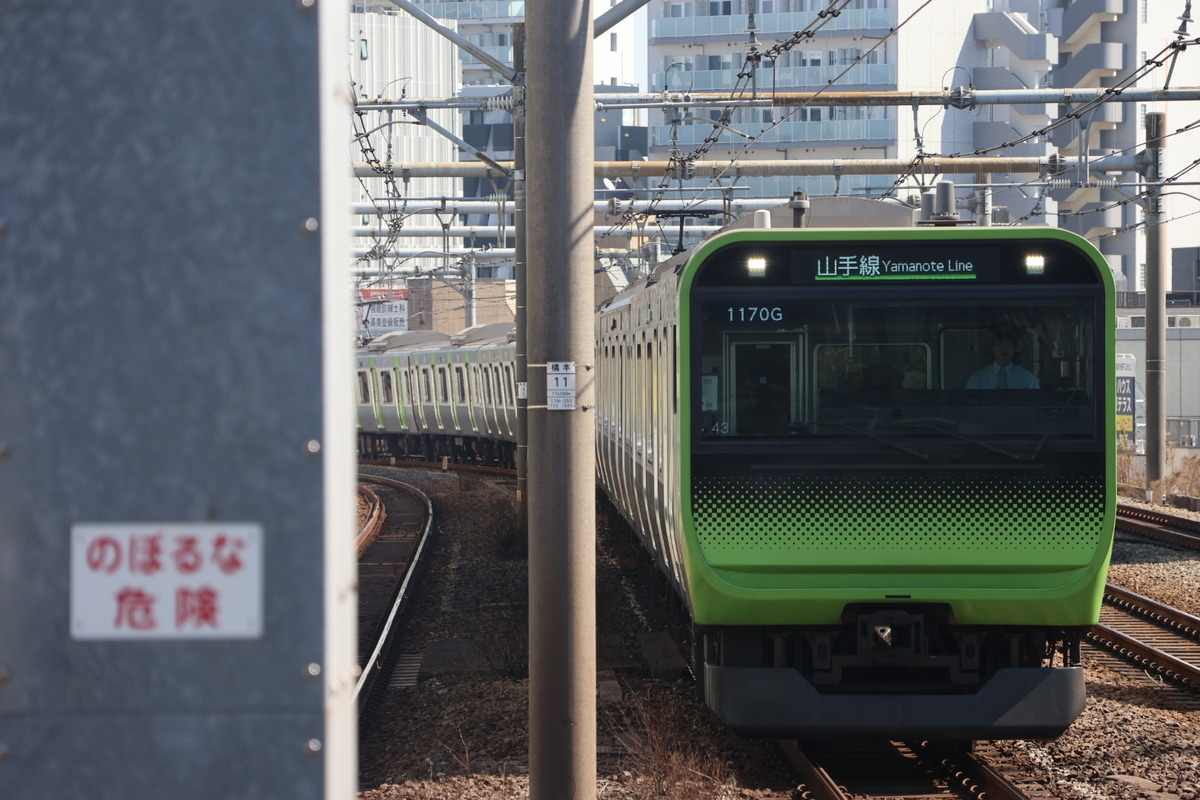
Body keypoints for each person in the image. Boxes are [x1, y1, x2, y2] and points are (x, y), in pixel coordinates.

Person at [967, 333, 1039, 389]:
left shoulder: (1029, 379)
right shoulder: (977, 379)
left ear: (1015, 348)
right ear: (992, 347)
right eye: (1000, 343)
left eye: (1009, 343)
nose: (1004, 348)